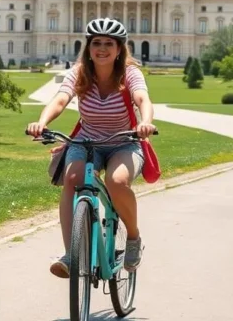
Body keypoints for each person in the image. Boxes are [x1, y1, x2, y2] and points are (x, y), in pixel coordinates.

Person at [26, 18, 156, 278]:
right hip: (87, 141)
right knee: (72, 179)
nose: (102, 48)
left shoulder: (130, 73)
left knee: (118, 182)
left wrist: (146, 122)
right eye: (96, 43)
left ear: (120, 49)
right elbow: (60, 99)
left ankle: (132, 237)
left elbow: (143, 98)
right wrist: (42, 122)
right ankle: (70, 255)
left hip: (124, 142)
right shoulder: (79, 73)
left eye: (109, 43)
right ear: (88, 47)